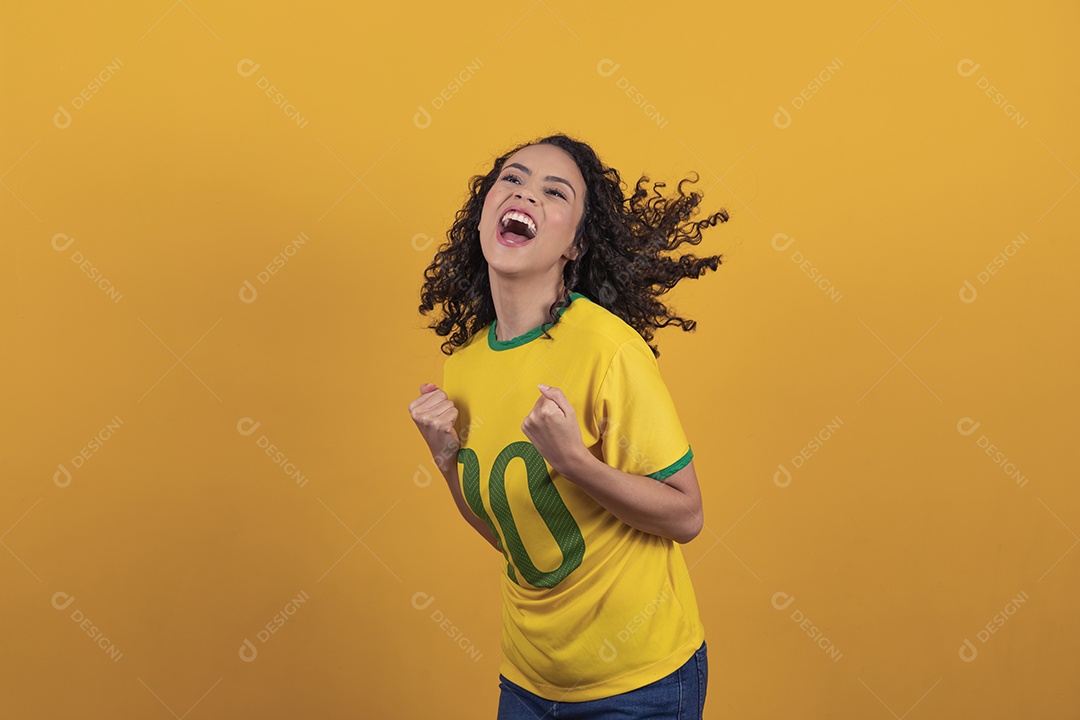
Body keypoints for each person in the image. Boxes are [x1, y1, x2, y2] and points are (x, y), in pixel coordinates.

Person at [408, 133, 728, 719]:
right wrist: (447, 459)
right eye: (513, 179)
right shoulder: (465, 366)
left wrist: (575, 461)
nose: (526, 195)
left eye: (555, 193)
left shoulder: (608, 349)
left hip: (638, 687)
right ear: (483, 215)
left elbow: (687, 516)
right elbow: (511, 536)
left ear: (575, 245)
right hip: (528, 684)